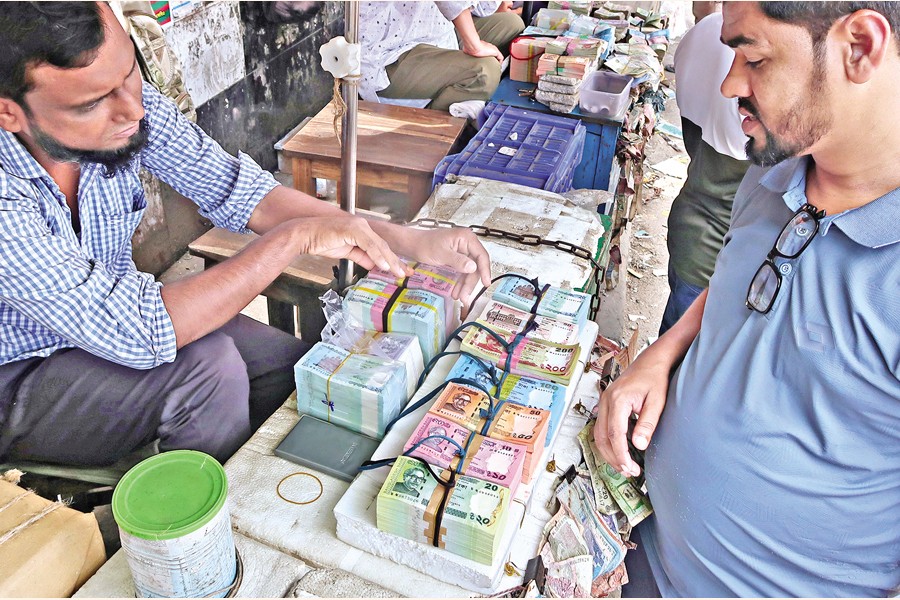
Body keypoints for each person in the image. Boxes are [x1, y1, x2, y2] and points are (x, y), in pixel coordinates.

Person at [0, 2, 491, 468]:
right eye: (92, 104)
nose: (132, 110)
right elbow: (142, 330)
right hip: (21, 372)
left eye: (129, 72)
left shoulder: (130, 107)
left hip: (115, 319)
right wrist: (291, 240)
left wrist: (403, 239)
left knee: (303, 371)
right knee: (208, 374)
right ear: (9, 113)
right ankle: (193, 534)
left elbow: (241, 191)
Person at [595, 2, 900, 596]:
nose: (731, 81)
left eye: (753, 57)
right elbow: (739, 284)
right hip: (644, 555)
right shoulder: (775, 173)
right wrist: (664, 353)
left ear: (859, 46)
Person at [659, 1, 750, 334]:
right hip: (713, 260)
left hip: (690, 233)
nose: (734, 84)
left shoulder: (703, 33)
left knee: (671, 350)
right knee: (679, 361)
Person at [358, 1, 524, 112]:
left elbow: (483, 7)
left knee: (511, 24)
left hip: (437, 33)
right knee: (484, 71)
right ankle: (428, 126)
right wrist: (474, 45)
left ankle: (461, 95)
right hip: (388, 50)